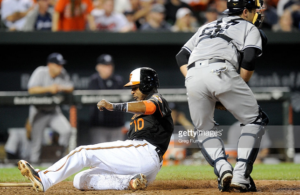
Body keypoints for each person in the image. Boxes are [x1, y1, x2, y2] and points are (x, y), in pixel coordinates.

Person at [18, 67, 174, 192]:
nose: (132, 91)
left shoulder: (157, 99)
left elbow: (149, 106)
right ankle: (130, 182)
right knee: (80, 180)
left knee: (83, 152)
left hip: (145, 152)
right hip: (143, 165)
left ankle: (44, 178)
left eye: (135, 87)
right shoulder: (142, 112)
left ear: (146, 85)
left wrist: (113, 106)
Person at [176, 0, 269, 192]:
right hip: (221, 70)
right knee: (255, 120)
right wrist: (236, 86)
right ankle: (241, 175)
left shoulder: (207, 26)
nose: (256, 14)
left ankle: (222, 167)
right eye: (253, 10)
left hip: (192, 75)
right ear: (245, 12)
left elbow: (181, 57)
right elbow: (250, 57)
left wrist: (195, 78)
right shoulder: (248, 26)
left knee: (204, 129)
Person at [27, 52, 74, 163]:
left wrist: (60, 87)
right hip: (39, 111)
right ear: (50, 65)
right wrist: (48, 88)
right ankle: (33, 168)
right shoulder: (40, 71)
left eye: (61, 64)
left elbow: (71, 87)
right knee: (36, 143)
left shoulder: (62, 73)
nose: (60, 67)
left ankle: (61, 161)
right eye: (57, 64)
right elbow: (31, 89)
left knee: (67, 130)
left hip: (53, 111)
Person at [88, 54, 125, 144]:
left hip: (117, 126)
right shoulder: (94, 81)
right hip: (99, 126)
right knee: (99, 155)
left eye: (110, 66)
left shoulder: (118, 80)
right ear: (98, 67)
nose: (108, 68)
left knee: (117, 154)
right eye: (105, 66)